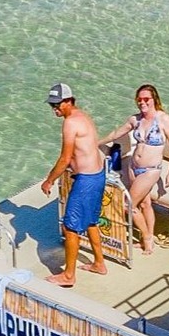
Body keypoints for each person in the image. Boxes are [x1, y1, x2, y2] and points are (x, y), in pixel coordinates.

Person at [41, 82, 108, 287]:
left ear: (69, 101)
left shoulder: (70, 123)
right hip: (97, 175)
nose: (54, 108)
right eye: (52, 104)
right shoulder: (83, 116)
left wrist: (49, 180)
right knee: (91, 221)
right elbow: (82, 151)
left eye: (57, 104)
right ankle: (99, 263)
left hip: (86, 181)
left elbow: (65, 158)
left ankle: (68, 276)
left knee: (70, 227)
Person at [100, 83, 169, 256]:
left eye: (146, 99)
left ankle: (147, 237)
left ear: (154, 99)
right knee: (145, 203)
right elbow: (116, 134)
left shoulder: (164, 120)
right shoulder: (135, 120)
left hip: (151, 170)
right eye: (139, 99)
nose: (142, 102)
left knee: (128, 205)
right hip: (133, 167)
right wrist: (96, 143)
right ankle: (148, 237)